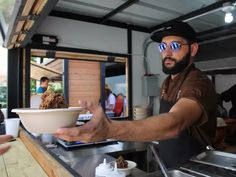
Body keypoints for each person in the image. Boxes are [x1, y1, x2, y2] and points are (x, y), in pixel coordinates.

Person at [55, 21, 217, 168]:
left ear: (193, 48)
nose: (166, 53)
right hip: (170, 166)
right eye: (162, 47)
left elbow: (174, 123)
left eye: (174, 46)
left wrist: (109, 129)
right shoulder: (168, 82)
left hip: (195, 169)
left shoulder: (198, 83)